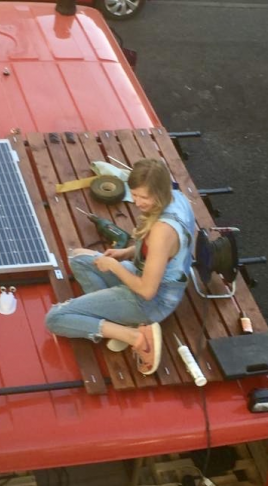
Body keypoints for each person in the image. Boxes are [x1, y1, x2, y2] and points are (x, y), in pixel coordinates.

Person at [45, 159, 196, 375]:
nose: (138, 202)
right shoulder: (176, 198)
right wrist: (125, 253)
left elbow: (146, 291)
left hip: (153, 300)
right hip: (145, 275)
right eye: (134, 195)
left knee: (55, 319)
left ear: (161, 192)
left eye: (145, 197)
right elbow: (157, 253)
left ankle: (136, 337)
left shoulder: (163, 231)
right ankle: (119, 320)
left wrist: (114, 266)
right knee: (77, 258)